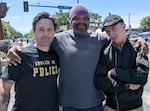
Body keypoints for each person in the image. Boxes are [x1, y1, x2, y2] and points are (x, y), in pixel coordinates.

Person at [7, 4, 148, 111]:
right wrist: (13, 49)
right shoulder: (58, 39)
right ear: (70, 20)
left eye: (85, 18)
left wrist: (140, 40)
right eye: (77, 18)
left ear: (89, 21)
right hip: (68, 105)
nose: (81, 21)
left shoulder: (100, 38)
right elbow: (39, 43)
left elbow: (119, 38)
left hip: (95, 104)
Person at [0, 11, 59, 111]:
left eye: (49, 30)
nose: (45, 34)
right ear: (33, 31)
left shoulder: (57, 54)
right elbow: (4, 88)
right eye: (41, 29)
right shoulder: (20, 56)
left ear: (54, 32)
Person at [94, 14, 149, 111]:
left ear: (124, 27)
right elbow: (99, 80)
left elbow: (141, 77)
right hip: (111, 107)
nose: (111, 34)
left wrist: (114, 73)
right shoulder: (105, 51)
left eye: (114, 28)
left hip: (135, 107)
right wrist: (125, 86)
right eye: (108, 31)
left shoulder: (138, 47)